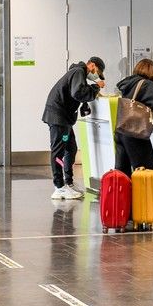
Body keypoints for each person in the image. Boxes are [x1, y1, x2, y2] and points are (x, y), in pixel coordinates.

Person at [42, 56, 105, 200]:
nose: (96, 76)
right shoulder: (78, 72)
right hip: (58, 118)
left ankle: (68, 182)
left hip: (63, 118)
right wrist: (96, 87)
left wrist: (91, 90)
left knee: (70, 148)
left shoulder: (77, 73)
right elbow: (78, 93)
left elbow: (77, 92)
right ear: (92, 66)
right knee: (58, 151)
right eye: (98, 72)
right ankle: (59, 187)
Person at [114, 58, 153, 176]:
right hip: (135, 133)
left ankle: (122, 195)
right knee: (146, 173)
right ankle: (143, 196)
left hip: (121, 132)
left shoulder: (129, 82)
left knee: (122, 173)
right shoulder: (145, 84)